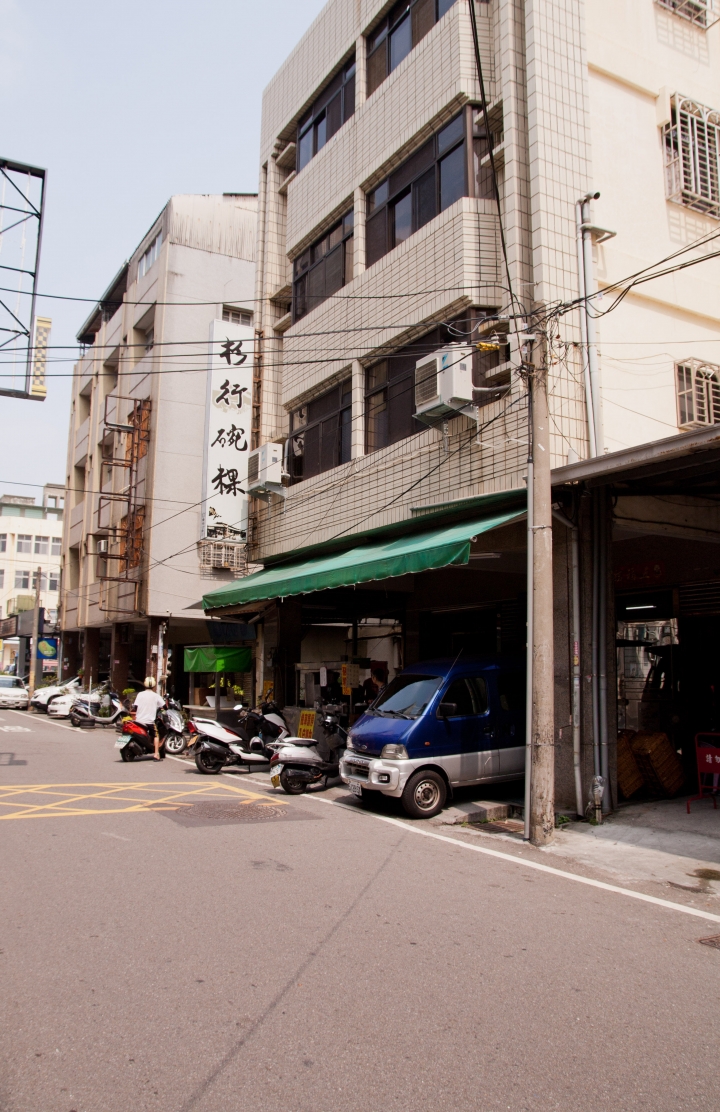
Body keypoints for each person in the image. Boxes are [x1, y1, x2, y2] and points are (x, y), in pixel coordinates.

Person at [133, 677, 166, 760]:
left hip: (139, 720)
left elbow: (135, 707)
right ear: (154, 685)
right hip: (149, 722)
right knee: (156, 735)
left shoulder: (140, 694)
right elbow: (165, 706)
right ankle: (156, 753)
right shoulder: (156, 696)